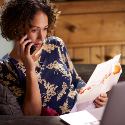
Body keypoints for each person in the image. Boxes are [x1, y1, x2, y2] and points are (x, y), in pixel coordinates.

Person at [0, 0, 108, 116]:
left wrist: (95, 95)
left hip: (85, 112)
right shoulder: (5, 69)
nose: (41, 37)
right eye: (34, 30)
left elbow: (76, 81)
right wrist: (30, 69)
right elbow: (32, 115)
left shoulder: (55, 44)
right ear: (17, 29)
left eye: (45, 28)